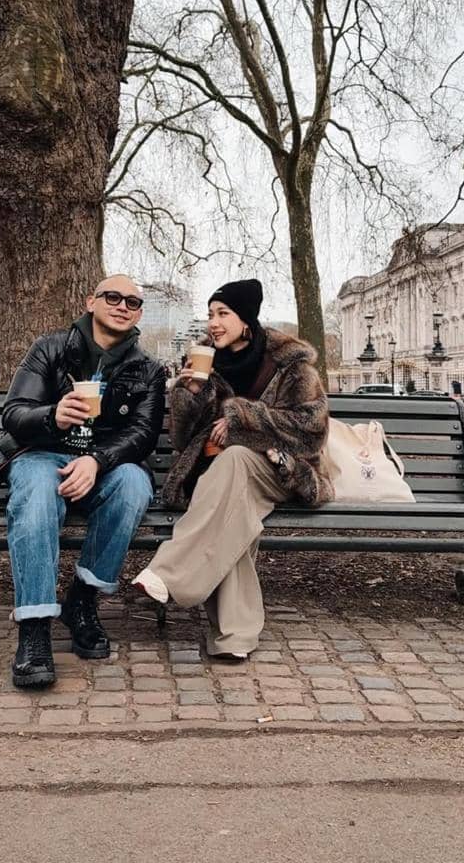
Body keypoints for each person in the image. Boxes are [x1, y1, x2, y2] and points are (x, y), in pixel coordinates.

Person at [0, 274, 165, 688]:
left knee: (134, 485)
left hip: (104, 466)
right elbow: (15, 412)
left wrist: (97, 460)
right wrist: (51, 415)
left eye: (133, 302)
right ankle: (35, 628)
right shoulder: (51, 348)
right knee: (38, 492)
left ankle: (82, 600)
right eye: (113, 297)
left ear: (139, 313)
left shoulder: (147, 369)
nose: (122, 306)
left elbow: (143, 435)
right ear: (91, 301)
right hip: (43, 455)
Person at [132, 279, 331, 660]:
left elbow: (312, 431)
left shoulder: (291, 366)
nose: (214, 323)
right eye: (210, 314)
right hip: (216, 475)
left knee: (237, 459)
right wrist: (189, 396)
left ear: (246, 320)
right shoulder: (204, 359)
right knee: (234, 514)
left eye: (223, 314)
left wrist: (242, 418)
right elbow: (182, 439)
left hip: (282, 469)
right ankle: (235, 639)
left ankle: (168, 574)